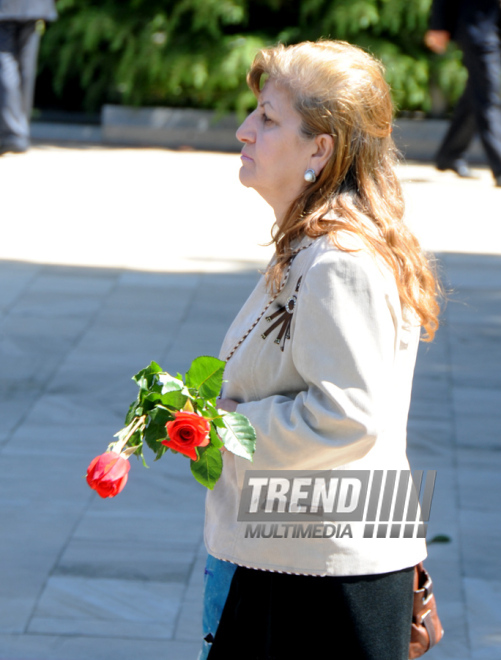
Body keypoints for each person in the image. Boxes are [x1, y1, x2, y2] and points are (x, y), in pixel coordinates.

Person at [201, 40, 440, 660]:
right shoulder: (312, 244)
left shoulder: (340, 261)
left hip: (323, 575)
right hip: (289, 553)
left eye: (268, 118)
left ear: (320, 148)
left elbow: (345, 416)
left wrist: (217, 426)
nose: (243, 130)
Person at [424, 0, 501, 186]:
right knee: (489, 95)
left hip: (494, 27)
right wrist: (438, 25)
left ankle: (450, 154)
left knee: (476, 93)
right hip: (479, 29)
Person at [0, 0, 57, 156]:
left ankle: (13, 133)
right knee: (26, 66)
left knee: (5, 63)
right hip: (37, 6)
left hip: (5, 8)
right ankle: (20, 131)